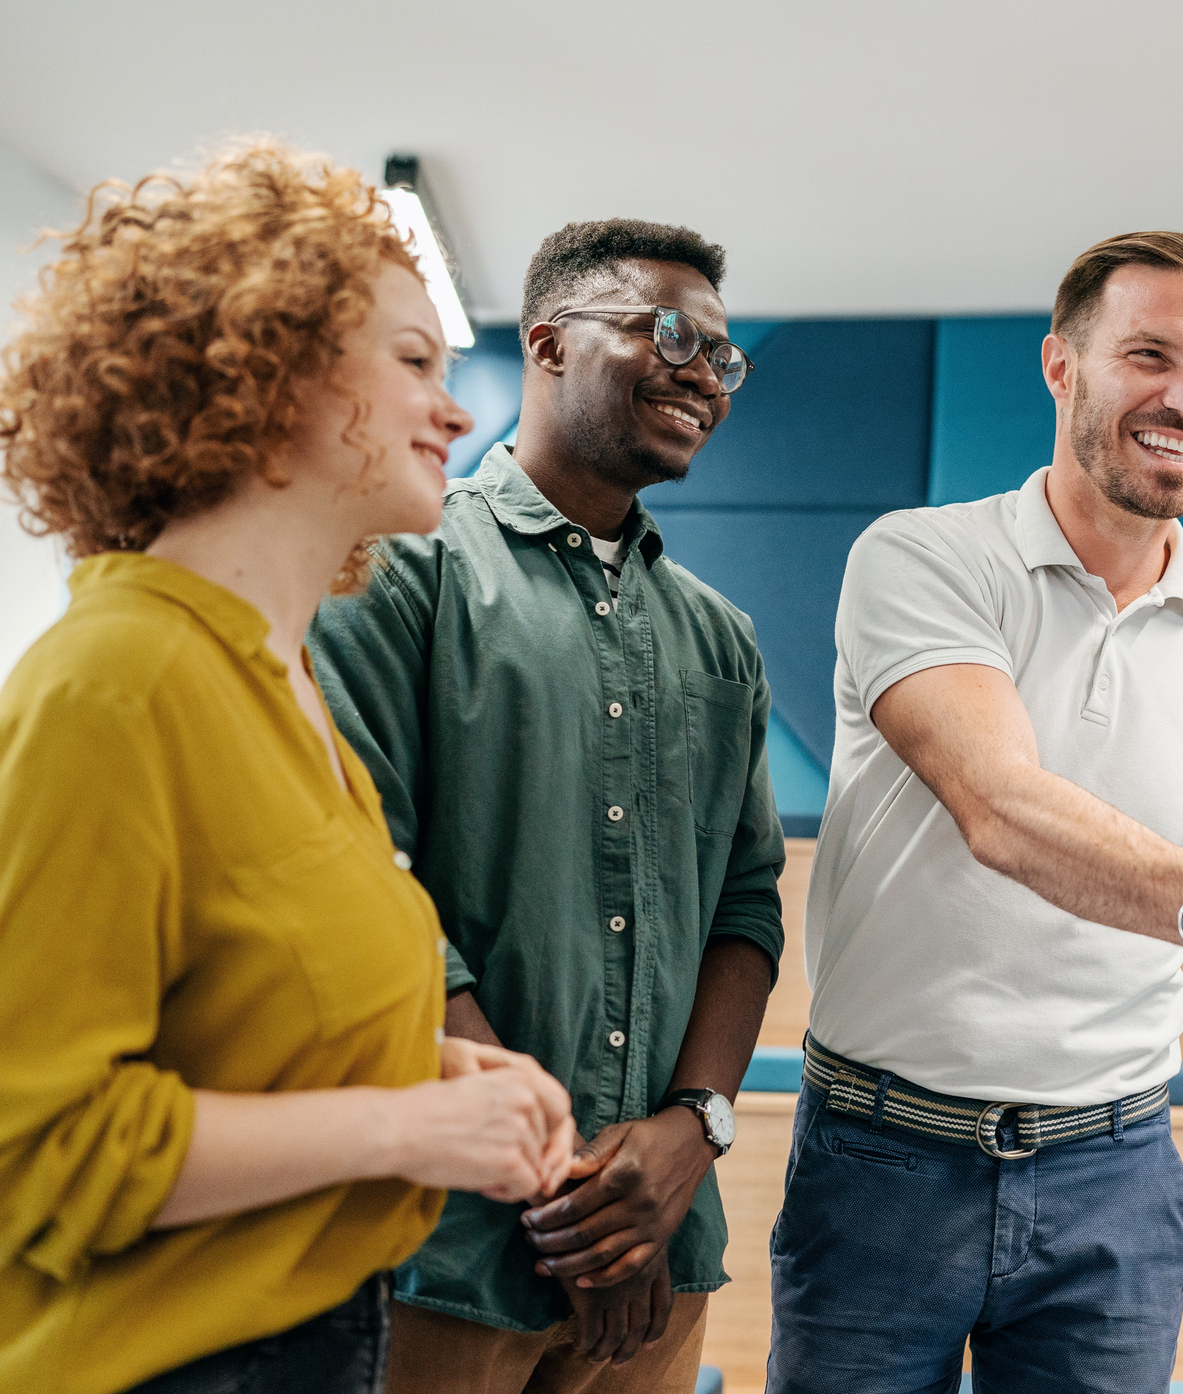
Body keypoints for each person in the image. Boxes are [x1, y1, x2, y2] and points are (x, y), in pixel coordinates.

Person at [765, 230, 1183, 1394]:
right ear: (1059, 365)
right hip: (882, 1160)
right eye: (1149, 355)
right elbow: (1005, 809)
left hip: (1113, 1178)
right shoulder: (924, 559)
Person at [0, 142, 577, 1393]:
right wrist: (410, 1124)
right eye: (413, 359)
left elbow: (239, 1023)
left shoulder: (283, 686)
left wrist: (430, 1067)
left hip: (316, 1341)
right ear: (261, 373)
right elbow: (41, 1149)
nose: (457, 404)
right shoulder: (118, 680)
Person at [309, 220, 785, 1391]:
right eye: (665, 330)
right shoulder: (393, 568)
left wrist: (691, 1134)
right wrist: (567, 1185)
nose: (700, 372)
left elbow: (748, 906)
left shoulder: (722, 640)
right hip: (445, 1242)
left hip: (665, 1246)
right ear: (548, 343)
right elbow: (370, 890)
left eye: (722, 356)